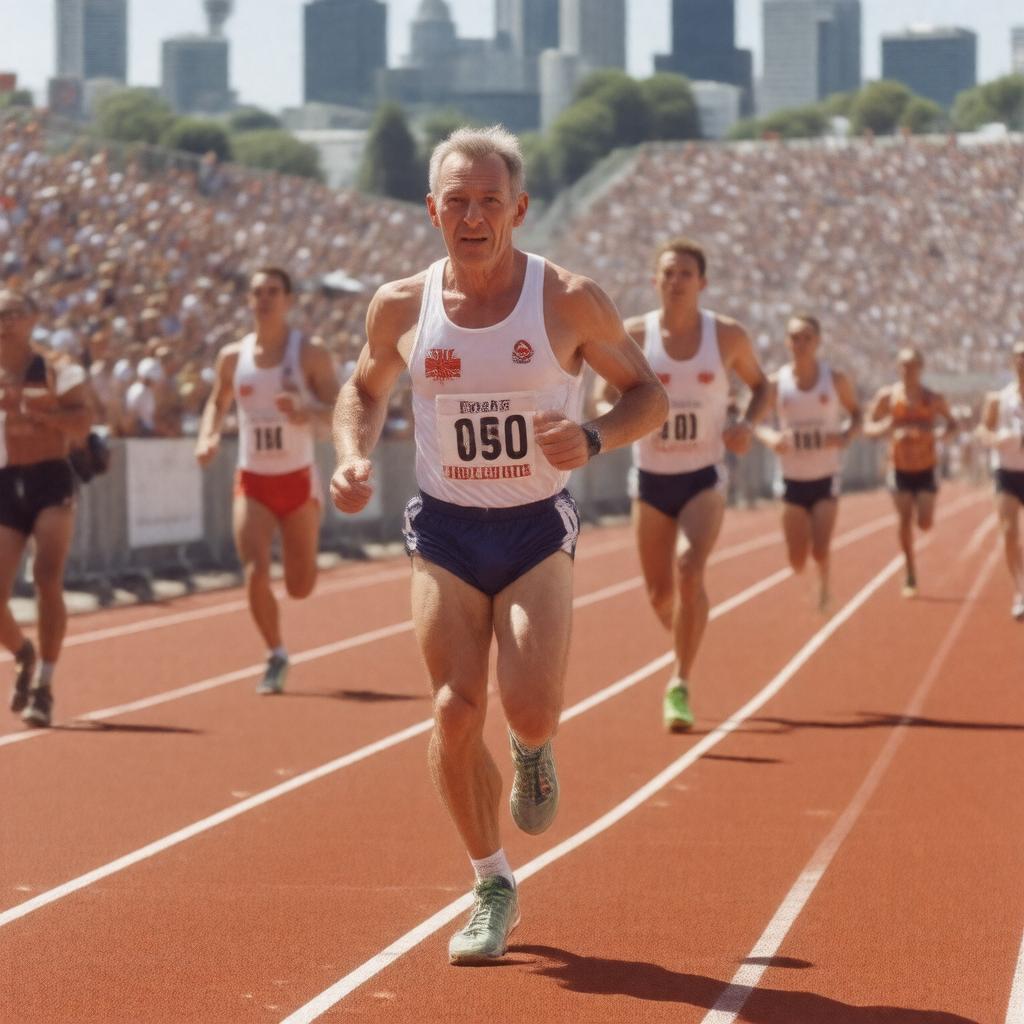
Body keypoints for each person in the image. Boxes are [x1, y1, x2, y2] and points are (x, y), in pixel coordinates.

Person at [330, 126, 667, 965]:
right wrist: (350, 452)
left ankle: (532, 751)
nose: (473, 216)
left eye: (490, 201)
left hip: (530, 527)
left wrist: (591, 440)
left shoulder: (568, 299)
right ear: (432, 207)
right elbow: (362, 387)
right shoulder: (402, 304)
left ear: (518, 208)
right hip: (444, 525)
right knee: (452, 708)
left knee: (529, 707)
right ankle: (491, 883)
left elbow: (649, 395)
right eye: (458, 200)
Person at [596, 238, 769, 734]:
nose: (676, 282)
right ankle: (687, 627)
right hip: (650, 479)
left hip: (704, 475)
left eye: (686, 274)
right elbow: (599, 394)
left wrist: (747, 425)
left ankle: (679, 680)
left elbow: (761, 386)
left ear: (703, 283)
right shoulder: (632, 335)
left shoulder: (728, 337)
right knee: (660, 596)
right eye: (668, 273)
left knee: (690, 566)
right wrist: (603, 424)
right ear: (655, 281)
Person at [195, 267, 340, 694]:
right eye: (257, 292)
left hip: (298, 482)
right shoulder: (231, 357)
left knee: (299, 586)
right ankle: (275, 653)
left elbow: (340, 409)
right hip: (253, 480)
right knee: (255, 571)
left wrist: (306, 411)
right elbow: (216, 401)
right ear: (248, 300)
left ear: (289, 300)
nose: (264, 299)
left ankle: (304, 566)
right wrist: (208, 436)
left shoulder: (310, 352)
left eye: (273, 291)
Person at [0, 289, 92, 727]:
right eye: (0, 314)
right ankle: (23, 652)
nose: (6, 322)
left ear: (33, 318)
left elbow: (84, 421)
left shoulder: (58, 365)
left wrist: (42, 418)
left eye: (15, 313)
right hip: (5, 480)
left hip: (50, 477)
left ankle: (46, 687)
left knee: (45, 577)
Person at [755, 314, 862, 612]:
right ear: (787, 342)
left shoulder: (835, 379)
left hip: (826, 476)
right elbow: (756, 422)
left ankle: (825, 589)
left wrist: (846, 434)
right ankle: (811, 574)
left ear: (818, 342)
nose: (800, 343)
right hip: (791, 478)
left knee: (821, 547)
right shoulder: (777, 383)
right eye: (795, 338)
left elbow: (857, 414)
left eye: (807, 338)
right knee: (797, 559)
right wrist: (771, 439)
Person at [865, 347, 957, 597]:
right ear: (898, 368)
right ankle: (909, 571)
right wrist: (888, 427)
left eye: (913, 365)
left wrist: (939, 435)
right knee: (904, 520)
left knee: (924, 523)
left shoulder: (932, 398)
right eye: (904, 366)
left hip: (926, 468)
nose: (908, 370)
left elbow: (952, 424)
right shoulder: (888, 397)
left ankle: (924, 519)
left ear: (921, 368)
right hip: (899, 468)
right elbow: (868, 427)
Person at [976, 341, 1024, 620]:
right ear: (1012, 363)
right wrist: (996, 439)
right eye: (1019, 358)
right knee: (1009, 531)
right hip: (1006, 472)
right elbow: (983, 428)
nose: (1023, 363)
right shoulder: (998, 399)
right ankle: (1020, 591)